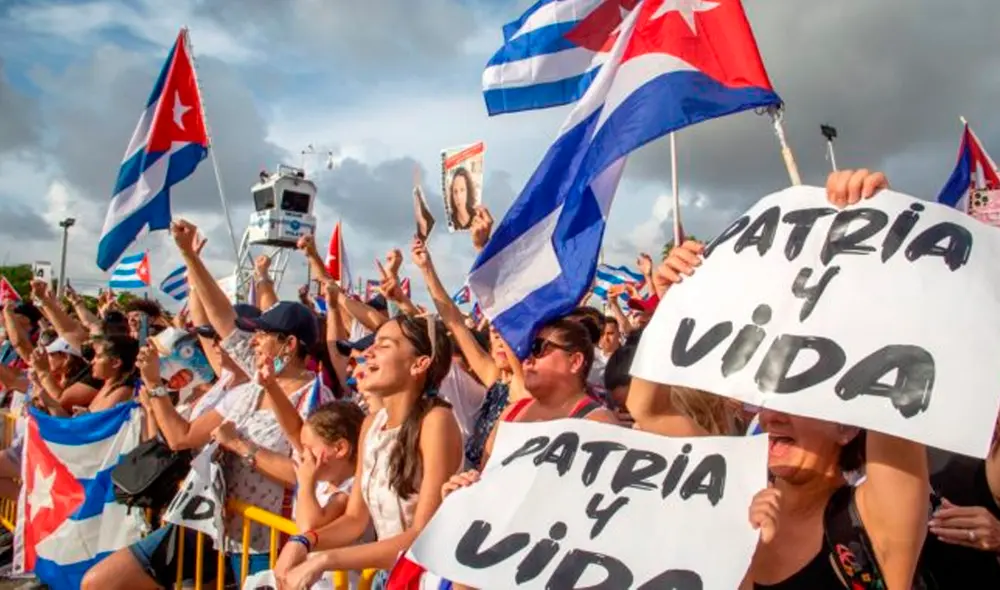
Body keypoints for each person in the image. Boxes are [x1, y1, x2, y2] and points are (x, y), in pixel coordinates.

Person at [274, 315, 463, 590]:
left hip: (429, 579)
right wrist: (304, 541)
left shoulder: (436, 421)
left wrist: (323, 560)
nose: (368, 353)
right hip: (390, 576)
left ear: (419, 364)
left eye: (385, 345)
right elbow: (354, 520)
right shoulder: (371, 424)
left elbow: (422, 535)